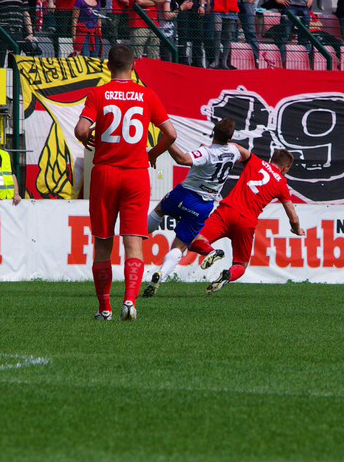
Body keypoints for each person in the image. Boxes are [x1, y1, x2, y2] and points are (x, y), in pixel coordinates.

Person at [73, 43, 177, 322]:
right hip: (135, 174)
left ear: (108, 66)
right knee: (134, 245)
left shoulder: (98, 93)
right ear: (134, 66)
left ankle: (104, 308)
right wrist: (153, 153)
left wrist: (87, 138)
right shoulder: (146, 95)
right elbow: (171, 133)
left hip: (105, 173)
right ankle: (129, 301)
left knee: (103, 243)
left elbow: (81, 129)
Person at [142, 117, 249, 297]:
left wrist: (167, 141)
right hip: (204, 205)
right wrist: (231, 146)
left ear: (213, 132)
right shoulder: (234, 151)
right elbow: (246, 155)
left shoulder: (207, 152)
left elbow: (182, 159)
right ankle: (161, 274)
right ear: (230, 137)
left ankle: (138, 235)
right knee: (180, 246)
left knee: (160, 210)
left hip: (184, 195)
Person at [187, 148, 302, 294]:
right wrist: (297, 229)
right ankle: (228, 275)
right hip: (246, 222)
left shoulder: (254, 161)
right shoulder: (281, 184)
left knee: (195, 241)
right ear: (286, 167)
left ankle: (212, 251)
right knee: (241, 264)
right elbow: (293, 216)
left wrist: (218, 146)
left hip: (227, 211)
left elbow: (238, 148)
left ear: (272, 159)